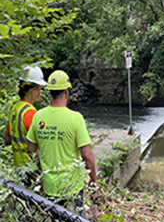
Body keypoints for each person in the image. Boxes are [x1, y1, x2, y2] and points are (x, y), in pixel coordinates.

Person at [27, 70, 97, 201]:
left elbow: (31, 151)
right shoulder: (76, 119)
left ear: (50, 93)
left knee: (55, 221)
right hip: (72, 186)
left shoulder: (38, 116)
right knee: (75, 220)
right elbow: (87, 156)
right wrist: (93, 180)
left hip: (49, 186)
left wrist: (42, 172)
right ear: (66, 93)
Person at [5, 66, 47, 167]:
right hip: (31, 170)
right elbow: (37, 148)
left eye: (40, 88)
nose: (40, 92)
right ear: (25, 89)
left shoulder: (15, 108)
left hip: (18, 167)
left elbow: (7, 140)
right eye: (36, 88)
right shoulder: (30, 113)